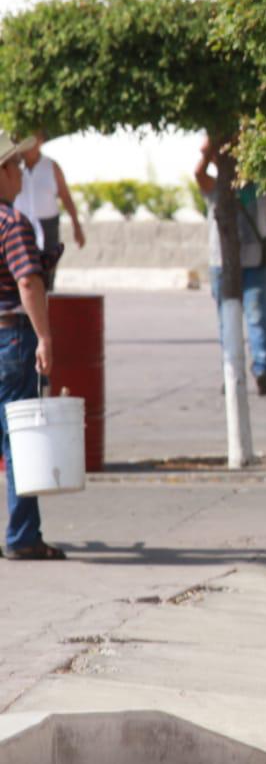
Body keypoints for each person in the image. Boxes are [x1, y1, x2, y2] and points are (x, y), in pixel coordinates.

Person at [0, 129, 64, 560]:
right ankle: (23, 536)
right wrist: (44, 336)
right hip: (11, 335)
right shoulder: (12, 223)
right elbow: (27, 280)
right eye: (17, 166)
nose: (24, 173)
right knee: (18, 437)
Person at [194, 136, 266, 396]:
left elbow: (199, 172)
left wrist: (211, 151)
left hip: (238, 262)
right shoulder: (225, 186)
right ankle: (250, 369)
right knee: (252, 318)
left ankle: (251, 369)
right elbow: (198, 173)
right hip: (233, 262)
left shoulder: (252, 184)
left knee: (241, 319)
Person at [15, 132, 84, 291]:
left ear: (40, 141)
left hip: (48, 226)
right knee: (23, 272)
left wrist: (77, 226)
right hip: (21, 226)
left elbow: (65, 196)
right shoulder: (13, 168)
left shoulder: (51, 166)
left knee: (47, 270)